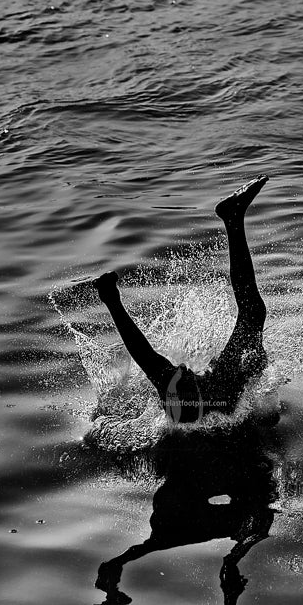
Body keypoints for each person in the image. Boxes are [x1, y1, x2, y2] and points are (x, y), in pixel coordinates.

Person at [92, 175, 269, 425]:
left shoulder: (181, 392)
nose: (184, 367)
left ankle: (233, 218)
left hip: (212, 392)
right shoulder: (206, 398)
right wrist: (111, 301)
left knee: (253, 315)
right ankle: (233, 218)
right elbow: (143, 354)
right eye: (185, 376)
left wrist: (112, 301)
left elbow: (143, 353)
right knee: (253, 314)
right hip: (217, 392)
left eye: (182, 373)